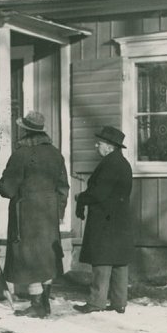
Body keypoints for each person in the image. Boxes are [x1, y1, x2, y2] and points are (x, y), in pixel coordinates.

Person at [0, 111, 69, 318]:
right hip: (49, 214)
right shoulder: (56, 154)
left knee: (29, 258)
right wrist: (58, 211)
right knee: (46, 257)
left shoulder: (21, 154)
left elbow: (8, 189)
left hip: (26, 214)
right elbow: (63, 188)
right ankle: (44, 304)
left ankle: (37, 304)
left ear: (25, 131)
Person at [73, 126, 134, 314]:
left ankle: (96, 302)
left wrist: (81, 198)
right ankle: (119, 302)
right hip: (120, 219)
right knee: (118, 261)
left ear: (109, 146)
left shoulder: (110, 164)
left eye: (99, 143)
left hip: (105, 219)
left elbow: (99, 193)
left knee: (102, 260)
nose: (96, 145)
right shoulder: (122, 163)